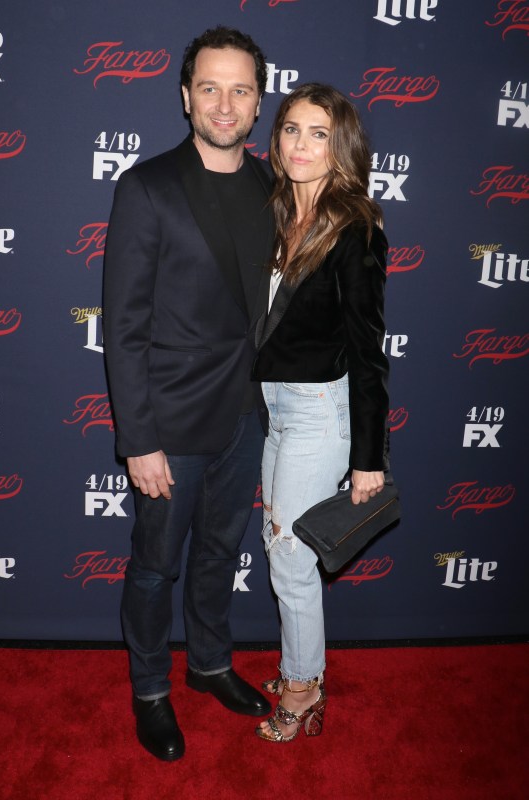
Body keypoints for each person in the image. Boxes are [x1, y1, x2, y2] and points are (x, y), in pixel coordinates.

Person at [102, 26, 274, 762]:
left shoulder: (277, 186)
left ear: (258, 101)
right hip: (169, 425)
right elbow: (124, 326)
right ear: (184, 97)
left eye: (239, 89)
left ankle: (208, 664)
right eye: (209, 87)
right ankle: (149, 689)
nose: (224, 103)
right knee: (154, 565)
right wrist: (138, 438)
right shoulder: (147, 187)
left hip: (248, 416)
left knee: (219, 553)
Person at [251, 83, 390, 743]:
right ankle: (299, 666)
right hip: (277, 408)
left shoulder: (353, 225)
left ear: (340, 147)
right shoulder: (277, 209)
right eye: (289, 129)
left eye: (316, 132)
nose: (299, 144)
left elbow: (368, 352)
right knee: (280, 546)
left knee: (288, 558)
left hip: (319, 413)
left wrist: (368, 458)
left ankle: (303, 690)